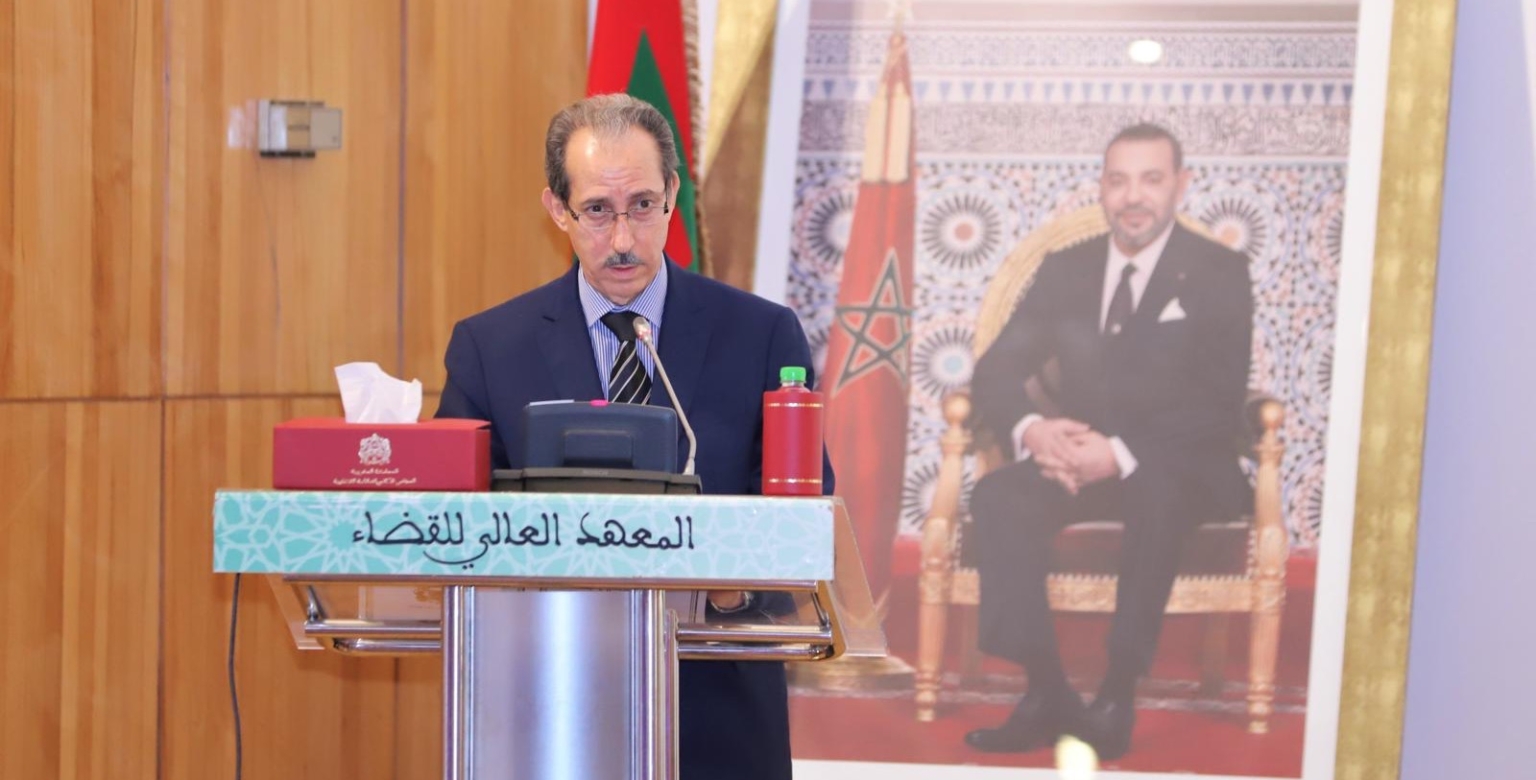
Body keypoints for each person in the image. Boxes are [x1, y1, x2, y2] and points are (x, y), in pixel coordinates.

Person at [434, 93, 832, 780]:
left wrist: (731, 593)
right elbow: (452, 523)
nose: (622, 238)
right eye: (597, 210)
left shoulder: (761, 334)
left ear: (672, 196)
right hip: (543, 702)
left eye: (642, 205)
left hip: (716, 710)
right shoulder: (491, 348)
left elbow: (806, 507)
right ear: (557, 209)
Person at [964, 123, 1253, 759]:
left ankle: (1118, 692)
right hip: (1078, 461)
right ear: (1101, 187)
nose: (1133, 196)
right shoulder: (1067, 269)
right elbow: (996, 369)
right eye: (1118, 180)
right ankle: (1047, 690)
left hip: (1179, 464)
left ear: (1180, 185)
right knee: (999, 496)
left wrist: (1118, 455)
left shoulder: (1220, 272)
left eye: (1151, 179)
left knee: (1156, 491)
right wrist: (1035, 431)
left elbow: (1218, 402)